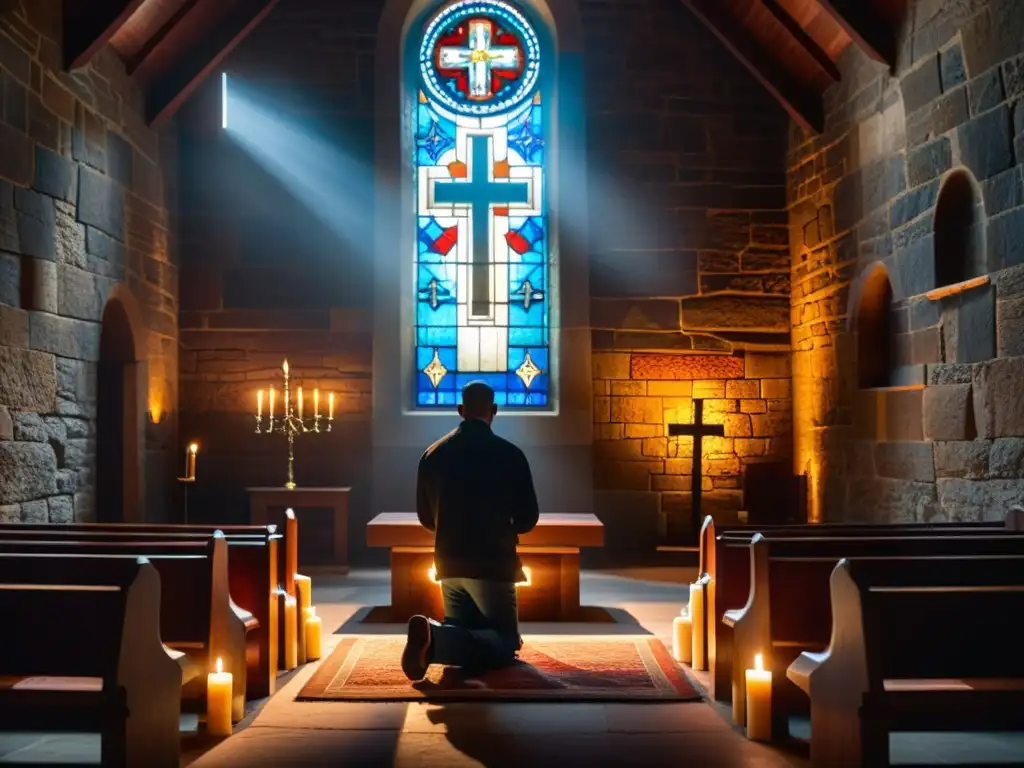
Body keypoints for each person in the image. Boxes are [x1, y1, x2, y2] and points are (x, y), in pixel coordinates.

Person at [401, 380, 540, 681]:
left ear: (460, 410)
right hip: (493, 562)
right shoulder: (510, 454)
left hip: (448, 561)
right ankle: (435, 640)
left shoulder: (432, 454)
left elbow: (426, 519)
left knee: (465, 630)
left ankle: (436, 636)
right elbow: (528, 519)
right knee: (505, 645)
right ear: (494, 410)